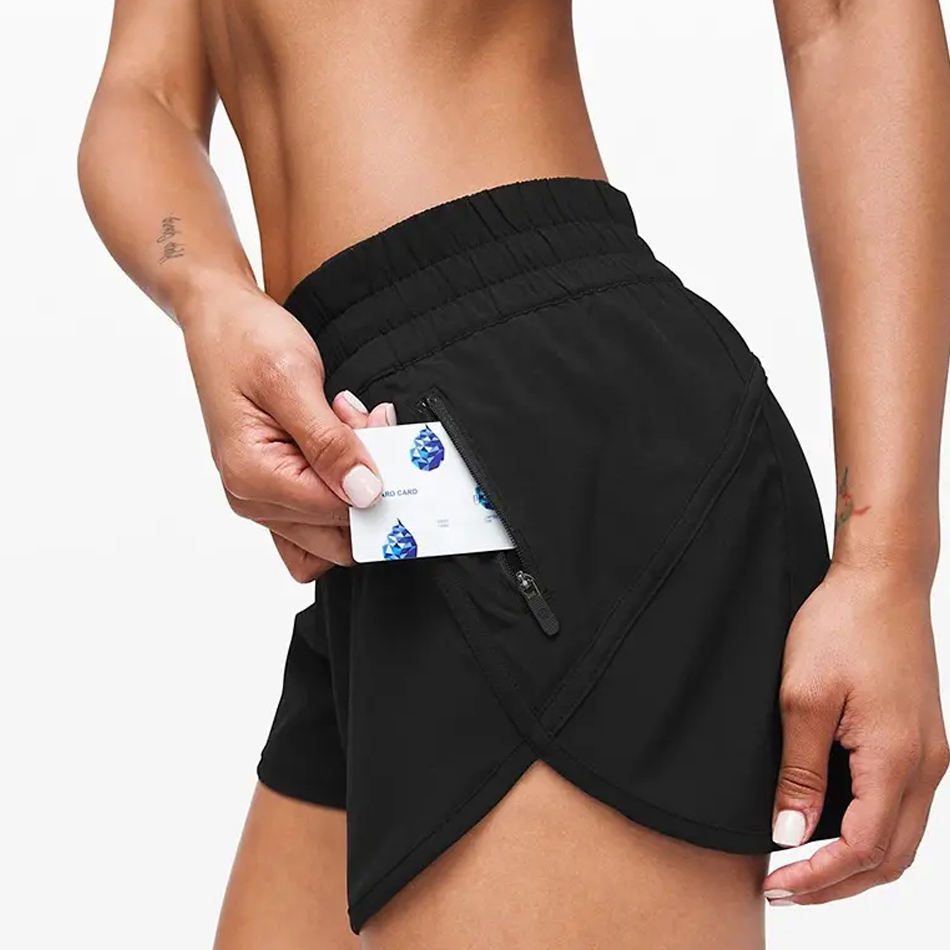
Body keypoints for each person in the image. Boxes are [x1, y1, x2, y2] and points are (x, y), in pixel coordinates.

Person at [78, 2, 950, 948]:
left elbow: (847, 20)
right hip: (380, 497)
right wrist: (207, 292)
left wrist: (886, 562)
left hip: (542, 428)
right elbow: (145, 92)